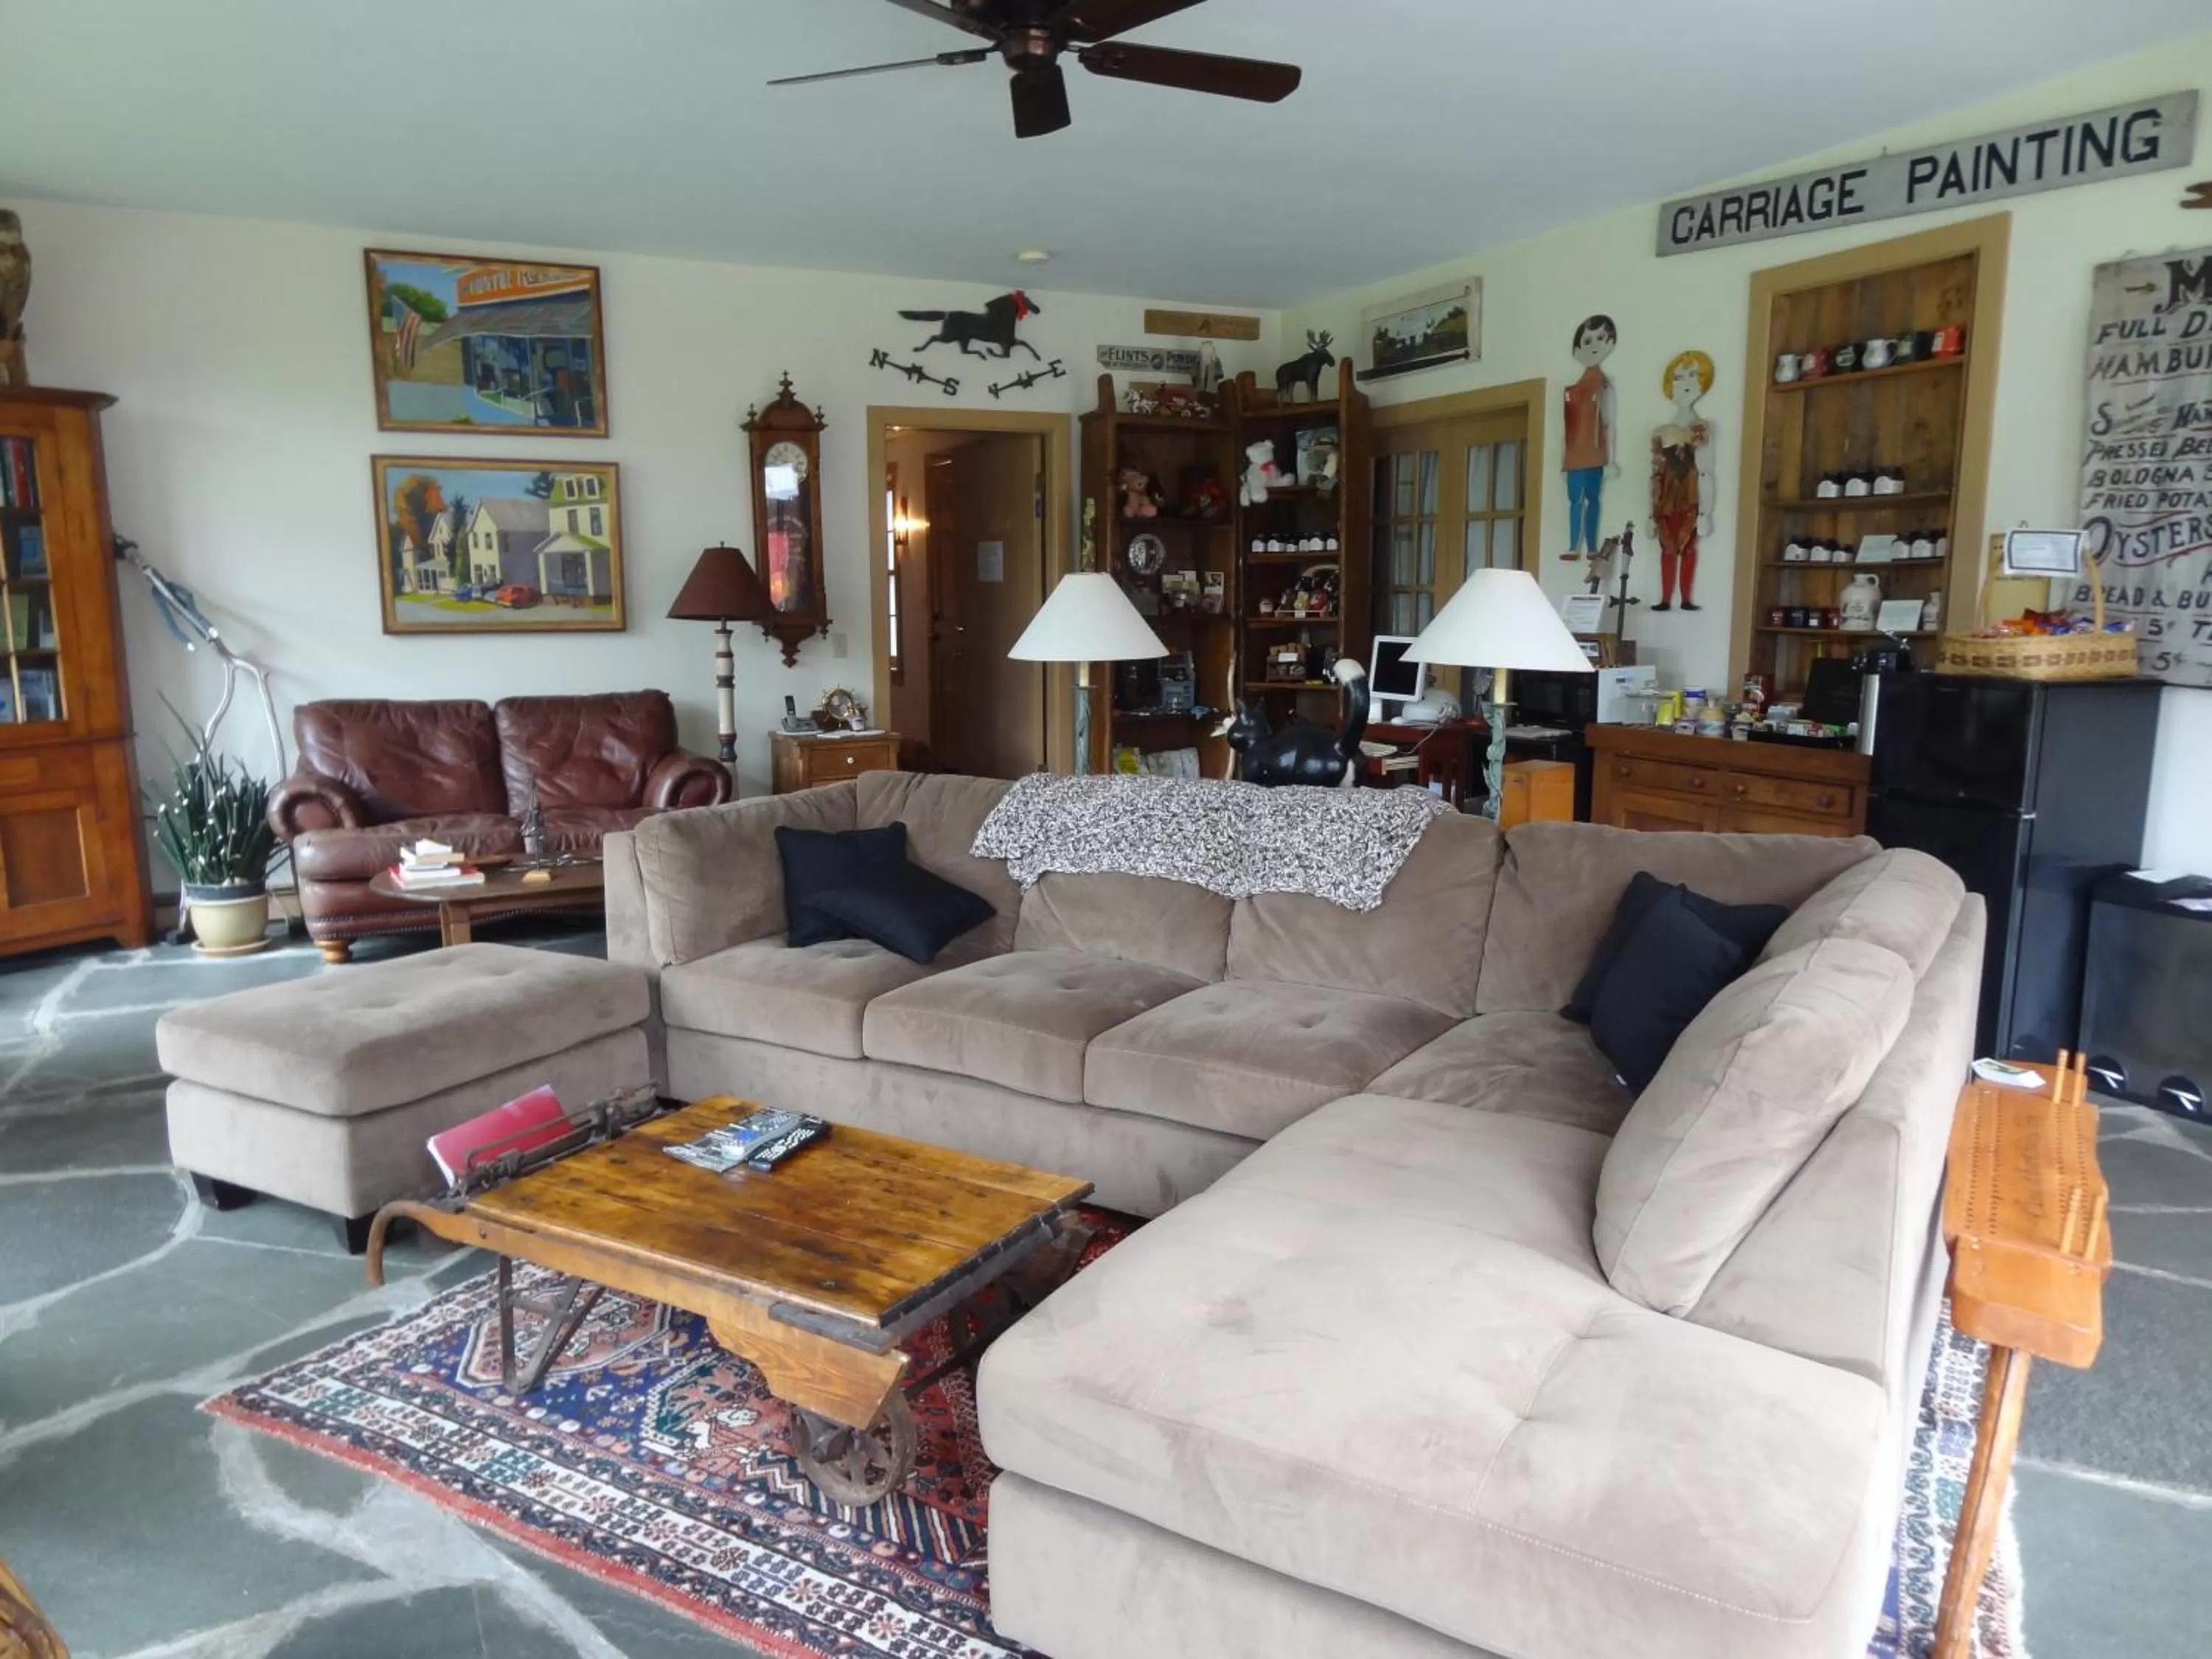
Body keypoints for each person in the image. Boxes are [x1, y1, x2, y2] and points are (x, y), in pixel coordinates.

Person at [1648, 349, 1715, 611]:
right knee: (1665, 550)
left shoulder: (1700, 430)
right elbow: (1654, 474)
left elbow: (1706, 471)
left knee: (1688, 549)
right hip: (1665, 500)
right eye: (1679, 377)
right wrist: (1648, 513)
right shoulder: (1660, 433)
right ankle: (1666, 598)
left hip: (1690, 499)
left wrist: (1706, 512)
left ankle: (1685, 598)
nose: (1686, 383)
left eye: (1693, 375)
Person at [1561, 315, 1619, 556]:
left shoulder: (1605, 386)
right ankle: (1574, 546)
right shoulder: (1571, 391)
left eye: (1600, 338)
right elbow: (1567, 428)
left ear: (1610, 342)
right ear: (1577, 350)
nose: (1593, 344)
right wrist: (1563, 460)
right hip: (1574, 455)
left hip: (1595, 454)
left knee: (1593, 499)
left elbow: (1610, 424)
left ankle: (1593, 547)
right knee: (1575, 501)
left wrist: (1611, 460)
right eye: (1587, 341)